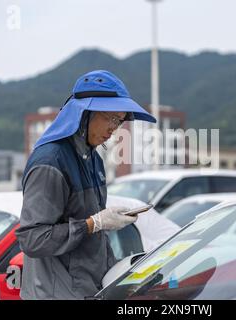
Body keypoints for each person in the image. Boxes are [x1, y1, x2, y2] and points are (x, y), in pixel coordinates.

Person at [15, 70, 156, 300]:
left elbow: (95, 240)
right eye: (111, 119)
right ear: (85, 112)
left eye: (119, 121)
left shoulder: (93, 159)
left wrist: (116, 277)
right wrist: (94, 223)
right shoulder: (50, 161)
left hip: (89, 291)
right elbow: (33, 239)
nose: (114, 128)